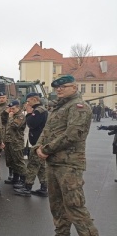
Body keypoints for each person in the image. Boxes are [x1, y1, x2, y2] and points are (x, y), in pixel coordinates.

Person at [36, 75, 99, 235]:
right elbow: (47, 130)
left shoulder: (79, 107)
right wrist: (38, 146)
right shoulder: (59, 107)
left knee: (75, 207)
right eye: (57, 87)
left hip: (69, 165)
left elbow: (73, 135)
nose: (59, 89)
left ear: (74, 87)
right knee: (57, 207)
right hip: (53, 163)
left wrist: (46, 149)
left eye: (63, 86)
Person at [14, 93, 49, 197]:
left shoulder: (38, 110)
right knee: (41, 167)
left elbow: (31, 123)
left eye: (28, 101)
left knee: (32, 165)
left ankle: (27, 188)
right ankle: (43, 188)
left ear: (34, 99)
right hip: (39, 141)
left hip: (38, 142)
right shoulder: (41, 109)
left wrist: (29, 113)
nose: (27, 103)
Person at [3, 100, 27, 187]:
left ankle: (23, 180)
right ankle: (15, 178)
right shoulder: (13, 115)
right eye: (10, 109)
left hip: (16, 142)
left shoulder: (20, 116)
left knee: (19, 161)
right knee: (11, 161)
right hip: (9, 141)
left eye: (13, 108)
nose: (11, 110)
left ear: (18, 107)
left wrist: (10, 117)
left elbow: (15, 126)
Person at [0, 92, 12, 181]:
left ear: (6, 98)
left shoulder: (9, 107)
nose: (1, 99)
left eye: (3, 97)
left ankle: (11, 173)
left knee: (9, 155)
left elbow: (9, 120)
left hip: (6, 132)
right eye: (0, 97)